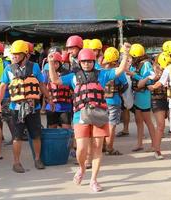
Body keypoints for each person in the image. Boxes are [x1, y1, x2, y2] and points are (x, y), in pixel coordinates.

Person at [48, 44, 131, 192]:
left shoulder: (102, 74)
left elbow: (119, 70)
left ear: (94, 62)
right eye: (84, 61)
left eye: (89, 61)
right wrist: (50, 63)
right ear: (79, 62)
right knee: (81, 149)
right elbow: (55, 81)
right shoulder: (73, 77)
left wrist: (125, 53)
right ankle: (81, 169)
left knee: (97, 148)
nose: (87, 64)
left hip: (99, 115)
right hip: (81, 115)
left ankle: (94, 180)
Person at [0, 40, 54, 173]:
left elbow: (41, 84)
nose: (14, 57)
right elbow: (3, 86)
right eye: (13, 54)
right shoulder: (8, 69)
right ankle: (16, 163)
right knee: (17, 137)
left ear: (25, 54)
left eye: (17, 54)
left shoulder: (34, 67)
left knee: (36, 135)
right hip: (16, 108)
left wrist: (49, 99)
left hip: (33, 107)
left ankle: (38, 159)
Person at [128, 43, 156, 152]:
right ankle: (139, 143)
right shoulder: (135, 64)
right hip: (137, 95)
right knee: (138, 121)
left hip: (144, 95)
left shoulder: (146, 65)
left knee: (148, 121)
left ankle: (154, 144)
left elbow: (148, 80)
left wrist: (132, 74)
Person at [102, 47, 128, 155]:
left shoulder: (100, 71)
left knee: (102, 124)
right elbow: (125, 85)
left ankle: (103, 145)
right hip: (114, 101)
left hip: (102, 102)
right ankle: (110, 147)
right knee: (112, 125)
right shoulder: (118, 72)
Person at [150, 52, 171, 160]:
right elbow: (148, 81)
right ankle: (157, 150)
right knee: (161, 125)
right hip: (157, 99)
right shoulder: (153, 70)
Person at [43, 52, 72, 129]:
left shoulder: (67, 73)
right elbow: (43, 87)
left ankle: (67, 141)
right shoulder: (46, 73)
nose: (53, 65)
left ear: (60, 63)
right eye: (52, 63)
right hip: (51, 106)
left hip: (65, 106)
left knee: (67, 129)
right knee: (52, 128)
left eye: (55, 63)